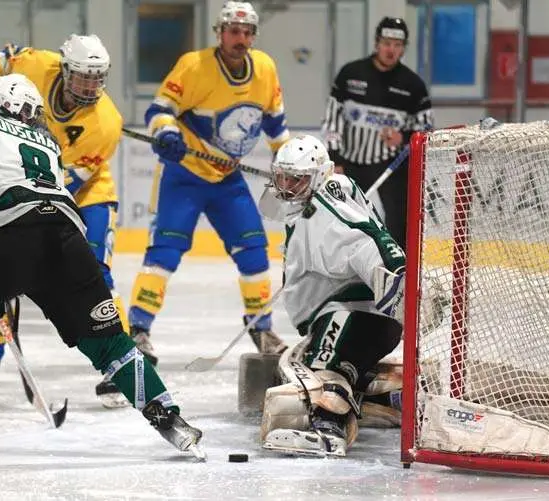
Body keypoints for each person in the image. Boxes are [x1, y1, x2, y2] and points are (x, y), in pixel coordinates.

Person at [0, 74, 203, 462]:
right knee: (109, 341)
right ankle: (172, 421)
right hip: (69, 240)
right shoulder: (47, 140)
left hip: (5, 236)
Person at [0, 34, 130, 407]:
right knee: (4, 272)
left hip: (86, 195)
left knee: (96, 277)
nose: (89, 87)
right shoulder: (34, 64)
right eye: (81, 77)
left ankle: (118, 364)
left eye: (97, 78)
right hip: (24, 185)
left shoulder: (107, 122)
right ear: (63, 69)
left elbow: (68, 182)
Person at [128, 1, 289, 364]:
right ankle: (138, 329)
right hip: (184, 176)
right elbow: (158, 110)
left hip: (226, 178)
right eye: (234, 31)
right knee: (165, 253)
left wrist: (288, 160)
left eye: (247, 32)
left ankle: (261, 327)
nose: (241, 38)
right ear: (219, 32)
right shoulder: (194, 66)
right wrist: (167, 133)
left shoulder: (265, 68)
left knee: (254, 250)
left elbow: (276, 126)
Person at [256, 134, 406, 457]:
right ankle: (385, 398)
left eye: (296, 179)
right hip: (361, 317)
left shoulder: (320, 214)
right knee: (340, 366)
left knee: (322, 368)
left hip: (349, 315)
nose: (286, 186)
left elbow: (365, 242)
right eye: (282, 176)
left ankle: (328, 428)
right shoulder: (321, 199)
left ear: (318, 176)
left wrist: (395, 281)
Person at [321, 16, 433, 249]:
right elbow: (332, 119)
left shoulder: (413, 86)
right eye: (386, 43)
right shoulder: (350, 75)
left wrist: (403, 137)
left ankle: (397, 273)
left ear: (403, 48)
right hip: (348, 164)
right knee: (339, 220)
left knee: (399, 224)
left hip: (389, 168)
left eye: (397, 45)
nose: (391, 50)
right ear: (376, 43)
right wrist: (336, 159)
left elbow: (427, 130)